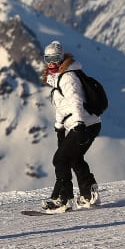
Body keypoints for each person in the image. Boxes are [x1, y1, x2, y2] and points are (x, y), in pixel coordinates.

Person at [41, 40, 101, 212]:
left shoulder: (68, 77)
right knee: (73, 158)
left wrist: (78, 124)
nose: (52, 62)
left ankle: (63, 199)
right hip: (86, 123)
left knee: (60, 159)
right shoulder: (58, 78)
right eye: (48, 58)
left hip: (84, 124)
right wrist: (59, 126)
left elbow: (75, 101)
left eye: (56, 58)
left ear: (62, 58)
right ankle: (88, 194)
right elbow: (62, 106)